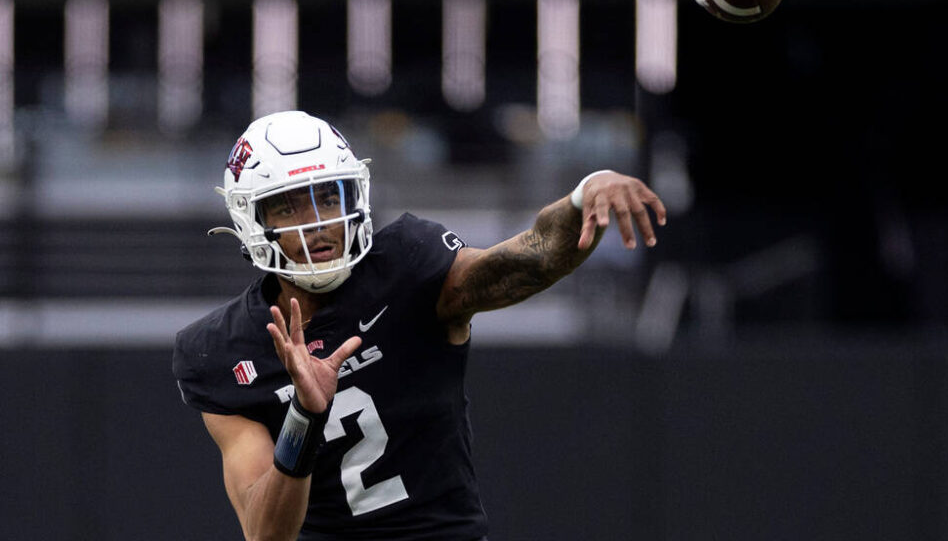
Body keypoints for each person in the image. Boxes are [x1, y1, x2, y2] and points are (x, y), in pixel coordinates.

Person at [173, 110, 667, 541]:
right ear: (252, 220)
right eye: (288, 205)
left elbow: (522, 262)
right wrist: (304, 415)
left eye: (329, 196)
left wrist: (583, 196)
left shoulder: (406, 268)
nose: (317, 221)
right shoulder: (220, 350)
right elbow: (266, 532)